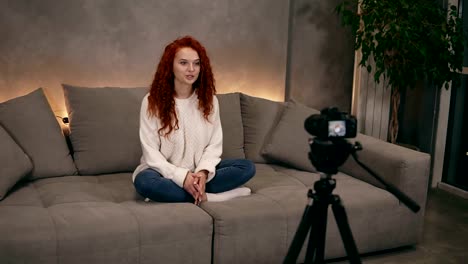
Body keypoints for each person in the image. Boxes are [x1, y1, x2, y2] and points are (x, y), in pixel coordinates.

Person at [133, 36, 255, 205]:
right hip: (163, 173)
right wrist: (182, 178)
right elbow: (151, 153)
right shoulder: (151, 101)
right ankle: (208, 197)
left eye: (196, 63)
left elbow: (214, 145)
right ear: (170, 66)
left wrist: (203, 173)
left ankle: (190, 191)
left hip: (198, 170)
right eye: (183, 63)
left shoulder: (209, 101)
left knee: (247, 167)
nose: (191, 69)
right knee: (144, 182)